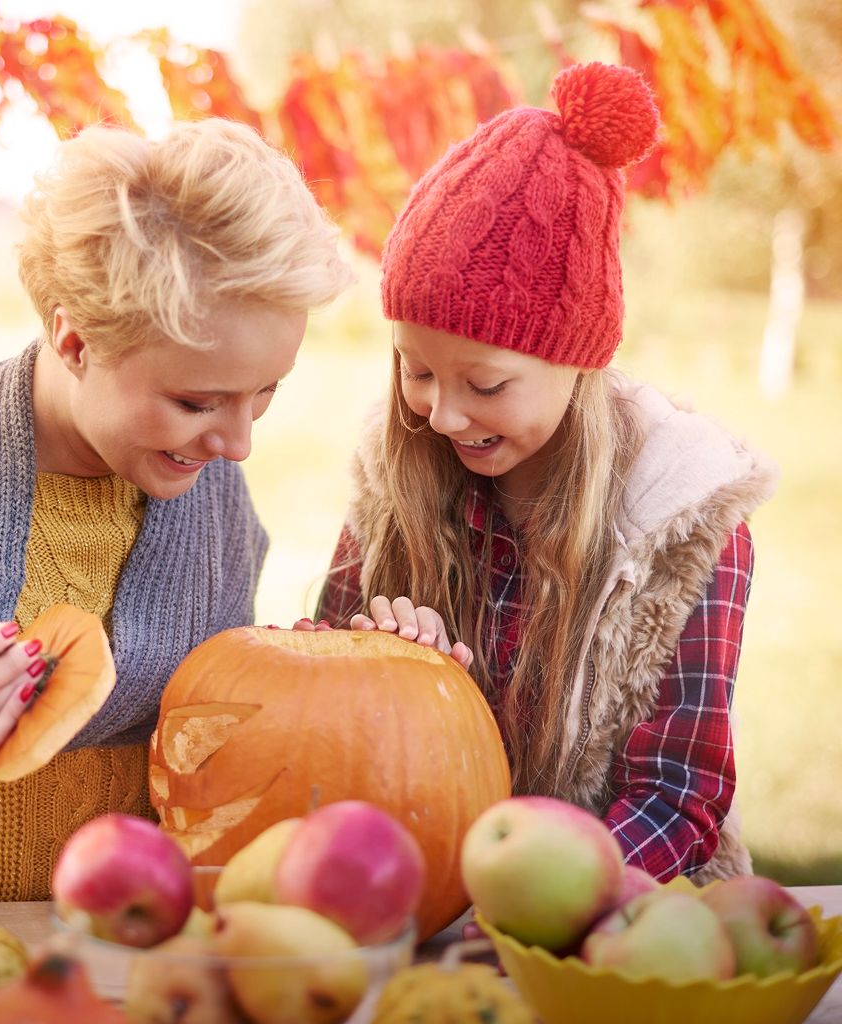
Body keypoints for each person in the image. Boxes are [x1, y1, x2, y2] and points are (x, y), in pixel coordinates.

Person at [0, 118, 352, 899]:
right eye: (197, 400)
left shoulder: (209, 496)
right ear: (74, 343)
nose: (238, 444)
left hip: (128, 966)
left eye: (266, 391)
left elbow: (215, 754)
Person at [315, 62, 777, 883]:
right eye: (414, 371)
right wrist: (372, 669)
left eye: (484, 385)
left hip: (620, 922)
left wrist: (533, 907)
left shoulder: (683, 523)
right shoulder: (399, 482)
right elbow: (307, 708)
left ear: (578, 361)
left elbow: (678, 799)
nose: (440, 416)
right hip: (418, 898)